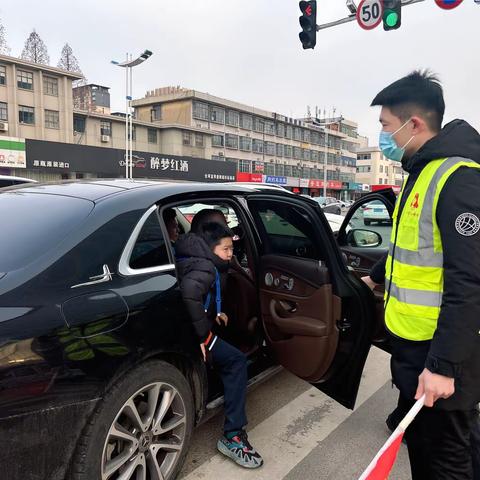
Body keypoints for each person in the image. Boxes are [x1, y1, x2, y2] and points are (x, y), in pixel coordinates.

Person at [362, 70, 480, 479]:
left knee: (444, 464)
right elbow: (410, 249)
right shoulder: (421, 171)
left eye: (385, 126)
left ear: (414, 124)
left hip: (440, 355)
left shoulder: (457, 179)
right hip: (416, 348)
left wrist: (443, 366)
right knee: (439, 453)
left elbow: (469, 281)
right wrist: (376, 277)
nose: (384, 136)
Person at [174, 221, 263, 469]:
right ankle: (232, 436)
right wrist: (204, 335)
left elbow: (202, 296)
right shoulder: (205, 266)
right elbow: (190, 292)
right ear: (210, 248)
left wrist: (214, 314)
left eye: (232, 250)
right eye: (225, 250)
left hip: (186, 327)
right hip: (194, 335)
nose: (230, 255)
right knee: (236, 360)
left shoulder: (192, 255)